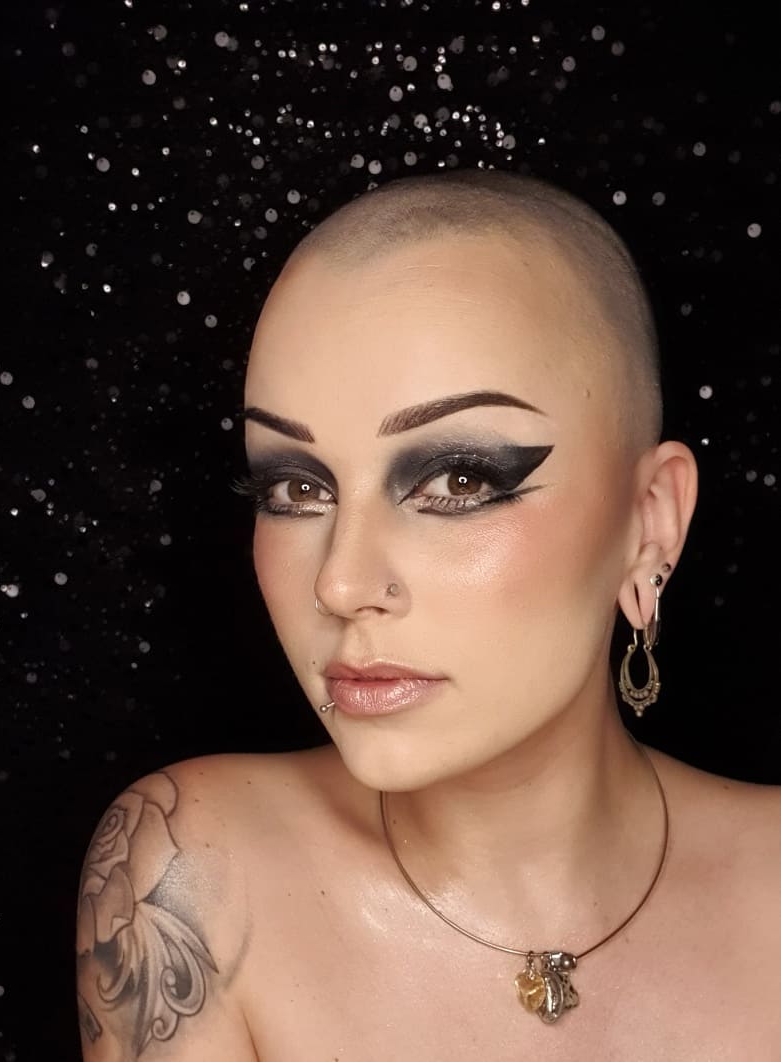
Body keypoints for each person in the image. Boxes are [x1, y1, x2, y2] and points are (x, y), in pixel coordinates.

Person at [75, 168, 781, 1061]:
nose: (341, 584)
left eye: (458, 478)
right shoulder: (189, 872)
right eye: (295, 488)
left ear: (650, 521)